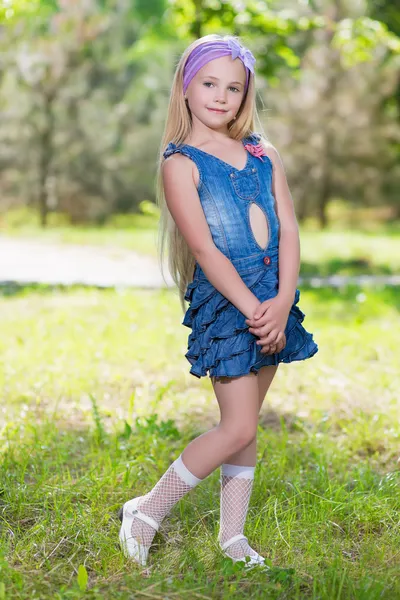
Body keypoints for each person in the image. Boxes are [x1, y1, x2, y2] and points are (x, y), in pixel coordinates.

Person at [118, 33, 318, 569]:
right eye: (209, 83)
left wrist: (280, 303)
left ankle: (232, 537)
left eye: (233, 87)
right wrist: (254, 309)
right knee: (239, 426)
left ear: (244, 94)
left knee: (247, 422)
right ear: (186, 86)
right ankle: (146, 512)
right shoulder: (181, 163)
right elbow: (205, 248)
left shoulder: (263, 152)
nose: (221, 96)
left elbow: (290, 230)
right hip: (230, 310)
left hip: (274, 303)